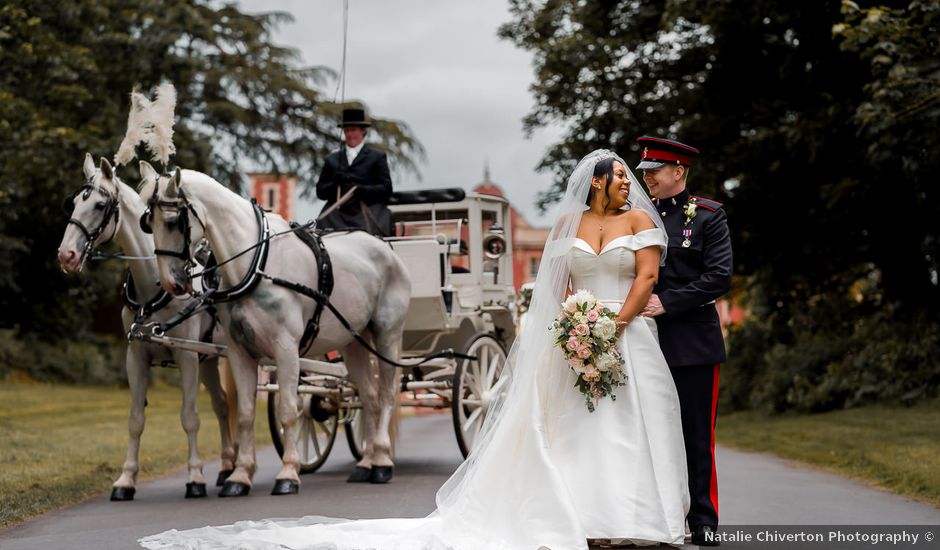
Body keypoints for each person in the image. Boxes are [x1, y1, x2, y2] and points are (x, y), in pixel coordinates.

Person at [139, 150, 690, 550]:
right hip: (580, 326)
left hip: (622, 330)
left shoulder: (638, 221)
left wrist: (608, 325)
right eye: (619, 174)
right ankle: (588, 510)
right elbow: (564, 283)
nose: (627, 182)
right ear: (597, 182)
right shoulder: (574, 224)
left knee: (632, 423)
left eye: (630, 175)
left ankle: (637, 513)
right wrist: (577, 325)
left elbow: (646, 278)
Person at [636, 136, 733, 547]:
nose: (647, 179)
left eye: (654, 171)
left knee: (696, 434)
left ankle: (703, 520)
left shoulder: (708, 216)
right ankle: (655, 516)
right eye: (644, 172)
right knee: (647, 433)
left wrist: (667, 302)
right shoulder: (636, 216)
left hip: (692, 343)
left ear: (678, 171)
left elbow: (719, 277)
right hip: (642, 344)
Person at [316, 107, 394, 237]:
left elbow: (386, 189)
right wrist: (334, 184)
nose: (350, 134)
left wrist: (363, 190)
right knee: (321, 227)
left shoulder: (377, 157)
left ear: (363, 131)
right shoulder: (332, 159)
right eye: (347, 130)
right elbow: (320, 192)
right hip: (337, 213)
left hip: (368, 210)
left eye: (353, 130)